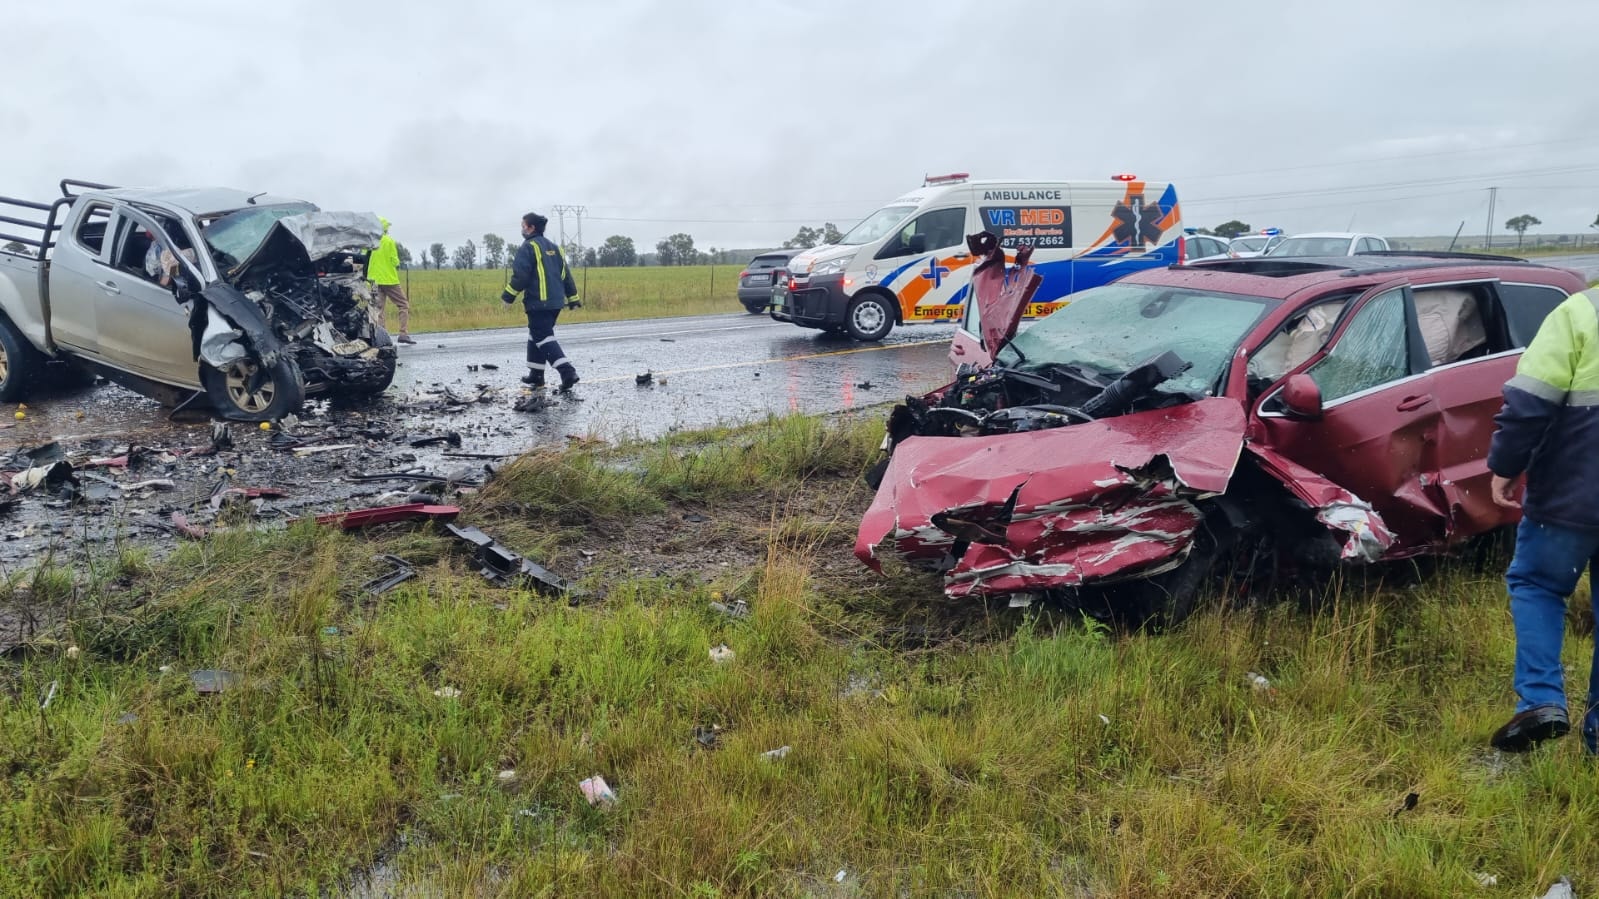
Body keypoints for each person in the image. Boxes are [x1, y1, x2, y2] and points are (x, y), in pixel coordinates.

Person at [1487, 287, 1599, 753]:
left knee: (1536, 584)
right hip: (1575, 492)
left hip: (1572, 494)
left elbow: (1529, 403)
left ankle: (1541, 700)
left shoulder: (1582, 312)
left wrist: (1506, 465)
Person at [500, 212, 580, 390]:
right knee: (535, 335)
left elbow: (521, 276)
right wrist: (573, 298)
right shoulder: (555, 248)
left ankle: (567, 372)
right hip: (555, 304)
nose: (522, 229)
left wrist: (508, 297)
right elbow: (566, 275)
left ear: (531, 228)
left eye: (523, 226)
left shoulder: (528, 247)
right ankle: (536, 375)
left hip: (538, 303)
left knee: (542, 336)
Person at [368, 217, 414, 344]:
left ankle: (381, 337)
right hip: (389, 279)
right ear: (385, 228)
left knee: (378, 309)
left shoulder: (370, 242)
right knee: (403, 304)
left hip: (374, 280)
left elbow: (364, 259)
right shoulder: (389, 241)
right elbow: (395, 261)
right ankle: (403, 333)